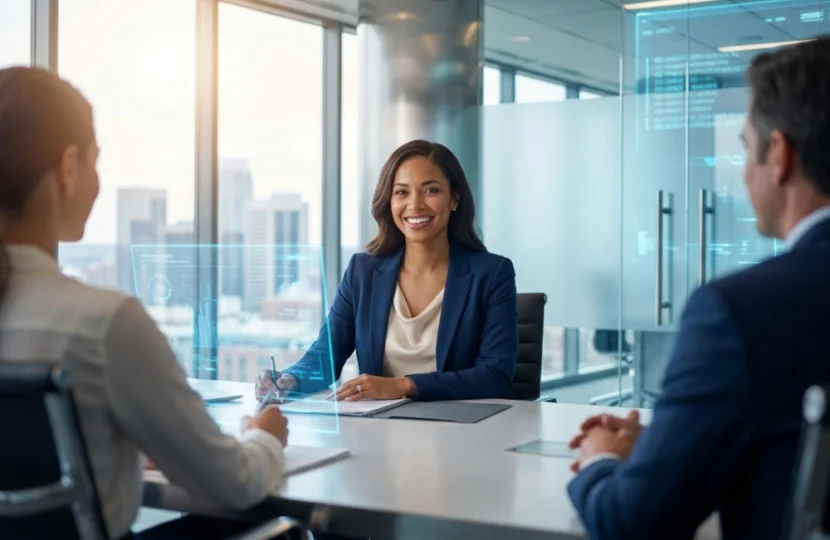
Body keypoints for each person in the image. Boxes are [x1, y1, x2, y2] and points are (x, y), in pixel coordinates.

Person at [0, 67, 289, 540]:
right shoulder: (103, 324)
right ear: (69, 168)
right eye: (95, 163)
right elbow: (235, 483)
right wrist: (264, 435)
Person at [566, 36, 830, 540]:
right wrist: (676, 442)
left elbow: (632, 521)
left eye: (746, 148)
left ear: (779, 155)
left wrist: (600, 458)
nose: (743, 173)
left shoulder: (741, 312)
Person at [256, 140, 518, 402]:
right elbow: (325, 356)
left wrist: (404, 386)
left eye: (430, 190)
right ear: (389, 201)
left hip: (460, 429)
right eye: (401, 193)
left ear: (454, 199)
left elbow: (495, 376)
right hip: (377, 428)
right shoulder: (363, 272)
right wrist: (290, 379)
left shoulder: (492, 273)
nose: (415, 205)